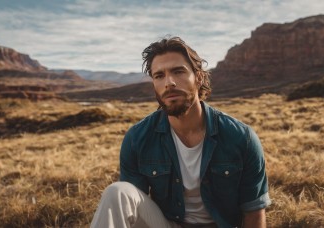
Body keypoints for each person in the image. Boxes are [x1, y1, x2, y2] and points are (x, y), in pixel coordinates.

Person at [91, 36, 271, 228]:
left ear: (199, 77)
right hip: (167, 224)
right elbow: (135, 207)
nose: (169, 82)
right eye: (159, 76)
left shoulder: (241, 137)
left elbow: (254, 211)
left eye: (178, 72)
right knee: (118, 193)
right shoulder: (137, 138)